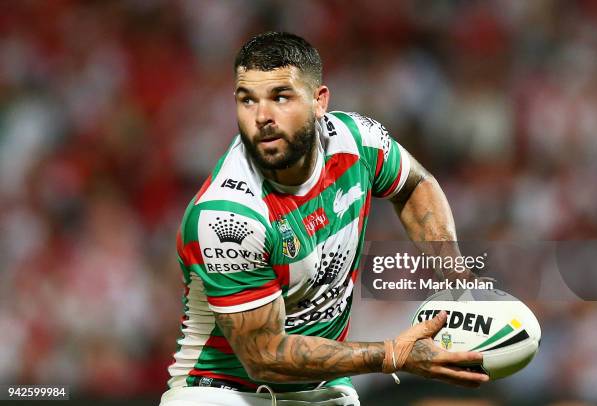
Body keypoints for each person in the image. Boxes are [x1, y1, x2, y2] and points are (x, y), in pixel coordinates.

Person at [160, 32, 488, 406]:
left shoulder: (357, 142)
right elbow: (264, 357)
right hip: (223, 393)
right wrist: (393, 355)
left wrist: (456, 275)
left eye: (280, 97)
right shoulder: (227, 216)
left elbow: (414, 185)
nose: (262, 117)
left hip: (324, 388)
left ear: (319, 102)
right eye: (247, 100)